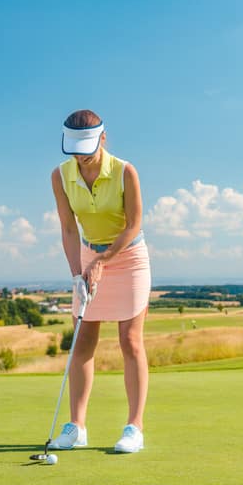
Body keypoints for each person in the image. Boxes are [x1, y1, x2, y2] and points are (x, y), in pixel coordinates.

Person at [49, 109, 151, 454]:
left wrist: (104, 262)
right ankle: (76, 427)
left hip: (129, 257)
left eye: (88, 147)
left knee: (130, 340)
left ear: (103, 138)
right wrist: (77, 272)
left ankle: (134, 428)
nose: (81, 156)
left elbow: (133, 225)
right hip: (87, 255)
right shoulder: (60, 176)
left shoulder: (125, 172)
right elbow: (67, 228)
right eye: (75, 149)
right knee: (81, 342)